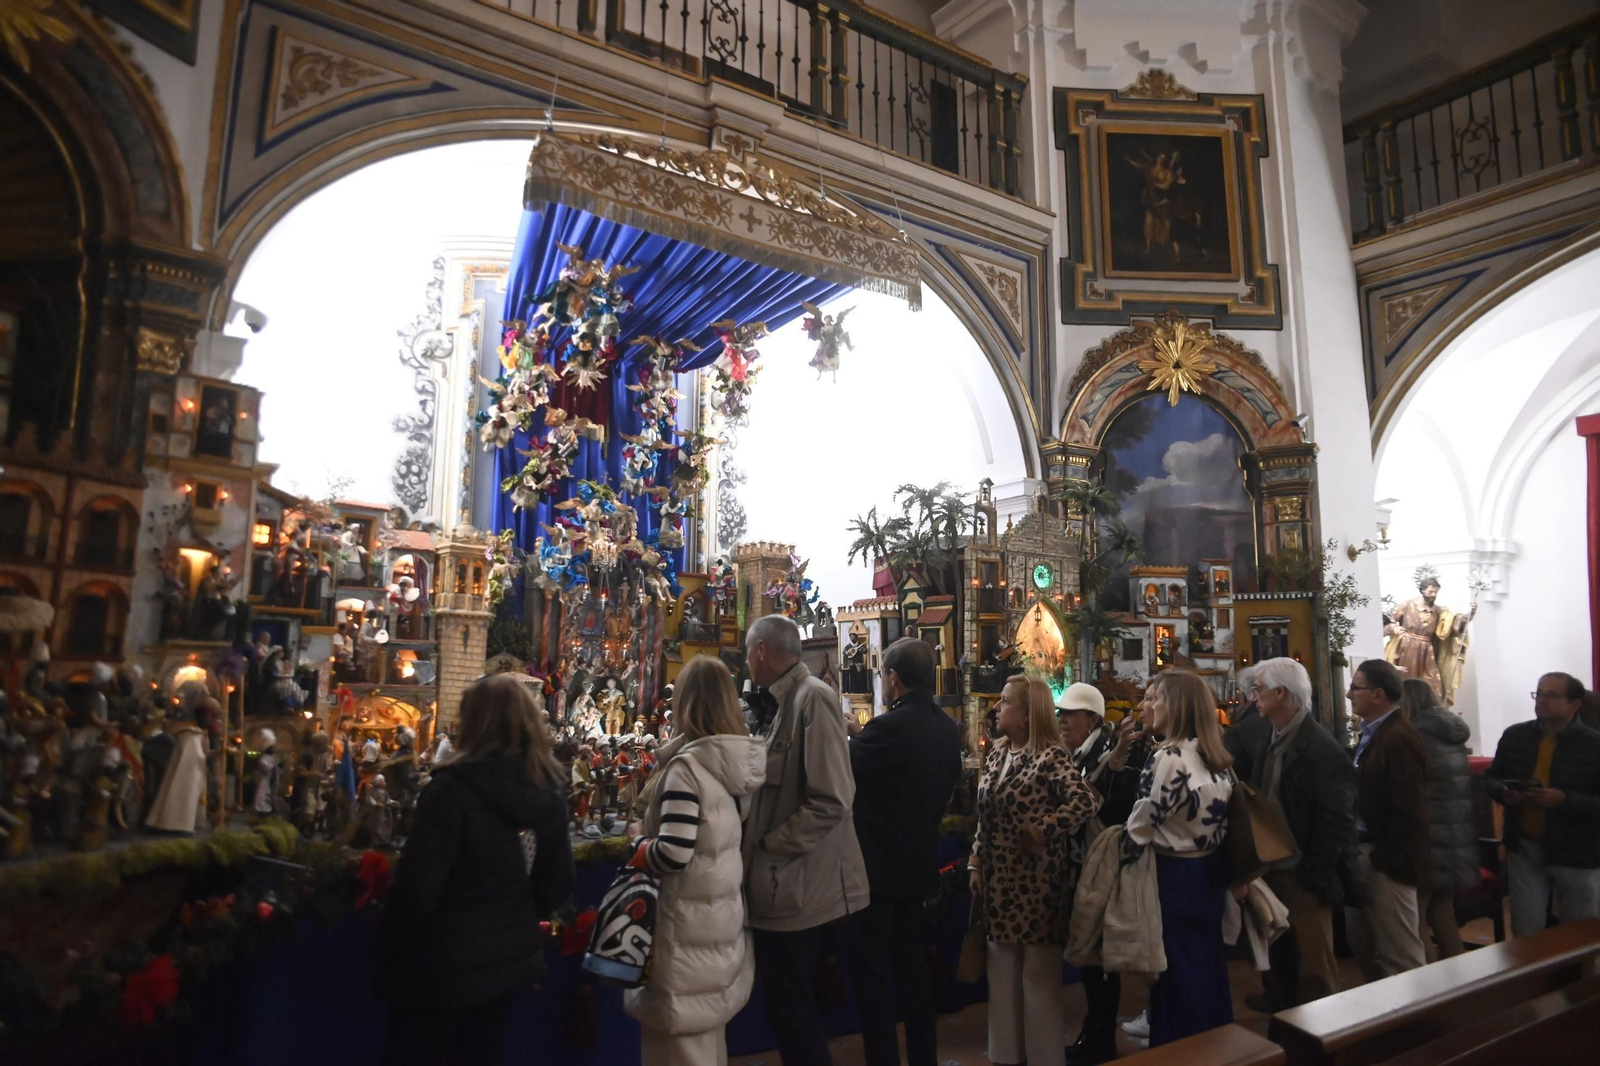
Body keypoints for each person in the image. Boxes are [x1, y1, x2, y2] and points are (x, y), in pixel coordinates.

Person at [374, 674, 574, 1066]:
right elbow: (558, 880)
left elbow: (417, 889)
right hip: (505, 965)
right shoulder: (546, 787)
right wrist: (513, 918)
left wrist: (386, 948)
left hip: (437, 967)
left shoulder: (450, 789)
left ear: (472, 724)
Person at [624, 657, 766, 1066]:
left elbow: (673, 853)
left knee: (678, 1051)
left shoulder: (687, 770)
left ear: (686, 703)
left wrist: (637, 841)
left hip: (683, 936)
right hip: (714, 931)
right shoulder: (728, 766)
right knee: (705, 1047)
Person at [741, 614, 868, 1066]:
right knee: (787, 1013)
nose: (746, 661)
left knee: (794, 1015)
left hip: (797, 888)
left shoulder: (812, 698)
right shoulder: (776, 703)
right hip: (782, 887)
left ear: (760, 651)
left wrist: (770, 846)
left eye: (747, 652)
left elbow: (833, 799)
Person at [968, 675, 1097, 1066]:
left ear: (1027, 715)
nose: (996, 708)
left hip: (1037, 884)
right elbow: (986, 815)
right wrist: (976, 859)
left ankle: (1043, 1058)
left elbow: (1083, 802)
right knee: (1001, 975)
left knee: (1037, 980)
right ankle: (1006, 1056)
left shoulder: (1051, 756)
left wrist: (1043, 829)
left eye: (1005, 702)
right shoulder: (997, 753)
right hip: (999, 882)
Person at [846, 637, 962, 1066]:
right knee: (914, 971)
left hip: (877, 871)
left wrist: (853, 736)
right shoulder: (946, 727)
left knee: (874, 973)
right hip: (919, 864)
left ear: (893, 679)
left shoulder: (887, 728)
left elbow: (847, 768)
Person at [1124, 669, 1234, 1046]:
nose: (1149, 705)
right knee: (1205, 965)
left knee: (1175, 969)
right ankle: (1213, 1044)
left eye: (1156, 699)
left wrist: (1120, 852)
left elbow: (1143, 821)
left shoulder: (1170, 756)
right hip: (1208, 870)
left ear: (1177, 706)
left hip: (1174, 873)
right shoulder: (1210, 753)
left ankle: (1181, 1049)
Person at [1241, 658, 1357, 1009]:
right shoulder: (1270, 737)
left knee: (1313, 968)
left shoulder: (1321, 748)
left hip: (1304, 872)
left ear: (1281, 693)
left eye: (1259, 689)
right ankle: (1283, 1017)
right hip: (1274, 866)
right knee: (1280, 958)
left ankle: (1320, 1034)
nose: (1253, 697)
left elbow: (1336, 821)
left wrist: (1313, 875)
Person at [1483, 672, 1600, 935]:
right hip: (1525, 846)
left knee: (1580, 931)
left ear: (1574, 704)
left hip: (1576, 848)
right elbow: (1492, 777)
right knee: (1526, 929)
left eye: (1552, 695)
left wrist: (1564, 800)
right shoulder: (1515, 736)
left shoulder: (1593, 745)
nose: (1542, 700)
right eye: (1539, 694)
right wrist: (1504, 792)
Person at [1346, 659, 1429, 981]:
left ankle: (1419, 1013)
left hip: (1387, 861)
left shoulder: (1399, 738)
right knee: (1365, 945)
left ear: (1378, 694)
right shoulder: (1375, 734)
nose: (1350, 694)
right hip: (1367, 851)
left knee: (1400, 955)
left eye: (1356, 688)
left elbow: (1409, 810)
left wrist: (1384, 860)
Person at [1054, 682, 1120, 1066]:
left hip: (1101, 868)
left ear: (1092, 719)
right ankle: (1095, 1033)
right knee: (1092, 963)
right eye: (1060, 714)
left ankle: (1101, 1037)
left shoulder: (1106, 755)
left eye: (1070, 714)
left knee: (1100, 962)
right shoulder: (1081, 752)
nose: (1063, 720)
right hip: (1086, 864)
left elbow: (1105, 808)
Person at [1399, 678, 1478, 960]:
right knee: (1443, 911)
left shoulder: (1417, 736)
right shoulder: (1450, 733)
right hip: (1455, 837)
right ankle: (1459, 977)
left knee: (1416, 918)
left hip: (1430, 836)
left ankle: (1431, 980)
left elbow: (1409, 788)